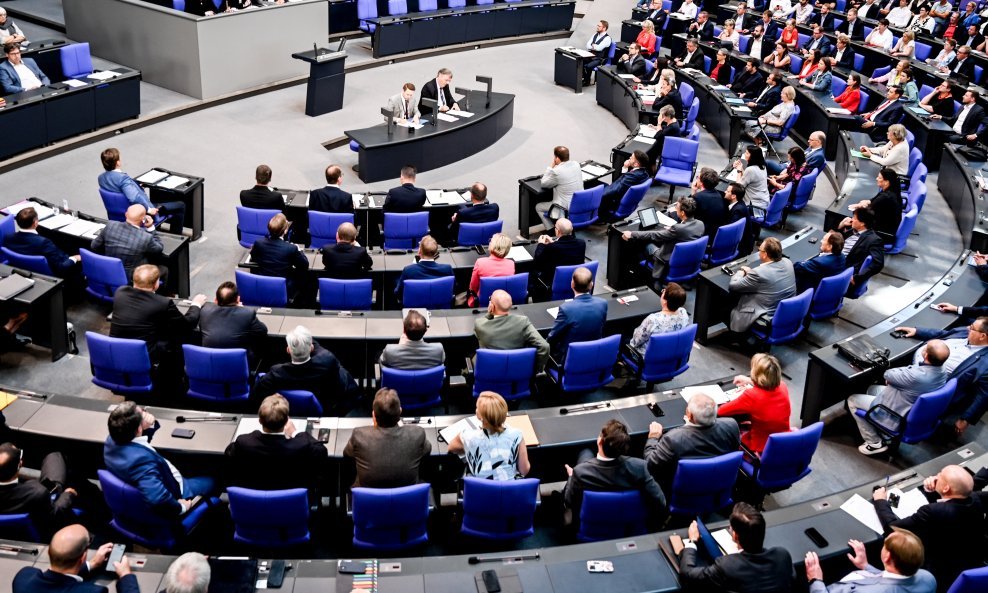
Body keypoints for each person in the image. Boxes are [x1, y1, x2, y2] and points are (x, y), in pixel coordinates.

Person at [873, 465, 988, 590]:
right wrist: (932, 490)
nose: (935, 476)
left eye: (940, 474)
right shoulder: (976, 499)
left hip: (939, 574)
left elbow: (893, 527)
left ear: (946, 488)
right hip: (971, 561)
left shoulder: (932, 511)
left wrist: (880, 501)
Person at [104, 402, 216, 517]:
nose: (145, 412)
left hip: (154, 477)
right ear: (138, 429)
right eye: (142, 412)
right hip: (179, 492)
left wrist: (147, 425)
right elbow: (157, 499)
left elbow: (139, 441)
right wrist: (181, 507)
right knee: (214, 480)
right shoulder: (142, 463)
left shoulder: (112, 439)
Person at [847, 341, 949, 455]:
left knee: (852, 400)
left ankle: (874, 442)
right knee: (872, 389)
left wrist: (893, 380)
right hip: (908, 400)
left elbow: (887, 374)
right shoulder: (942, 370)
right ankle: (877, 428)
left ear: (925, 354)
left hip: (895, 412)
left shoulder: (916, 376)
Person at [891, 317, 988, 435]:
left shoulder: (985, 364)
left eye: (972, 328)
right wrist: (917, 331)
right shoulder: (966, 332)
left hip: (924, 384)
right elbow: (943, 334)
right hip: (915, 364)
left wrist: (966, 419)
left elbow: (984, 394)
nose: (968, 328)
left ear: (982, 336)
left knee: (887, 378)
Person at [563, 420, 666, 526]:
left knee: (585, 453)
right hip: (629, 525)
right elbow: (660, 502)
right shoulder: (640, 467)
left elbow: (568, 501)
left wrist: (571, 476)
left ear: (600, 442)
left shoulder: (580, 472)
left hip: (594, 527)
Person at [679, 503, 795, 593]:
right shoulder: (782, 555)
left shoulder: (727, 566)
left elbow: (687, 573)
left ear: (735, 535)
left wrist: (692, 540)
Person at [224, 395, 328, 491]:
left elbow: (229, 455)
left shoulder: (243, 442)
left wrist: (253, 435)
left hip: (251, 504)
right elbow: (321, 450)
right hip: (291, 504)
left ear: (259, 420)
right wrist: (296, 433)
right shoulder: (301, 446)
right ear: (287, 420)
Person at [110, 265, 205, 363]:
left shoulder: (120, 292)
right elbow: (187, 325)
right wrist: (196, 304)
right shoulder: (163, 303)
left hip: (115, 353)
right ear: (156, 284)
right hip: (143, 357)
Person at [250, 325, 360, 411]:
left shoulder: (276, 373)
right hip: (326, 407)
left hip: (289, 411)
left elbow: (258, 392)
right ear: (311, 347)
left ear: (288, 350)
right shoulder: (327, 361)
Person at [644, 393, 740, 489]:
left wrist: (653, 438)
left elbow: (650, 465)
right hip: (721, 490)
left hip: (684, 495)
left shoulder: (673, 439)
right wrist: (689, 426)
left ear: (689, 415)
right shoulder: (731, 425)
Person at [343, 389, 432, 488]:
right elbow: (427, 451)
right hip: (407, 499)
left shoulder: (358, 435)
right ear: (400, 412)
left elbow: (347, 455)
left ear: (374, 415)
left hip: (368, 500)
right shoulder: (417, 434)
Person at [12, 524, 137, 593]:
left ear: (49, 553)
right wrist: (126, 576)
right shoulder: (93, 592)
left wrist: (91, 564)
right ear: (82, 557)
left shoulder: (23, 579)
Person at [804, 531, 935, 593]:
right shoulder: (927, 577)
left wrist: (815, 580)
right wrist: (866, 566)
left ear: (887, 556)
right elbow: (894, 579)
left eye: (885, 544)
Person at [98, 148, 185, 233]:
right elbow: (134, 198)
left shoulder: (101, 178)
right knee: (180, 205)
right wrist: (149, 209)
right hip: (140, 214)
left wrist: (135, 185)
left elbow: (116, 186)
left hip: (117, 216)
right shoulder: (123, 179)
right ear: (118, 162)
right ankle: (178, 240)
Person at [0, 444, 80, 536]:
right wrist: (68, 495)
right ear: (20, 464)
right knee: (55, 458)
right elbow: (55, 515)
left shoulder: (35, 489)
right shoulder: (38, 492)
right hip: (41, 531)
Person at [718, 353, 791, 454]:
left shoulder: (752, 395)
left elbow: (721, 411)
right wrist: (748, 380)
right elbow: (767, 387)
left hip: (761, 449)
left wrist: (741, 396)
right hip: (784, 442)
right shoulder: (783, 386)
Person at [449, 391, 530, 480]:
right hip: (510, 491)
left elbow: (452, 448)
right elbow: (524, 470)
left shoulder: (467, 436)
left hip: (480, 492)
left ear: (480, 416)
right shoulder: (517, 434)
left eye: (477, 408)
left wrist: (470, 448)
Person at [622, 196, 705, 283]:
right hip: (688, 261)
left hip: (667, 261)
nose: (675, 209)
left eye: (677, 207)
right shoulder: (700, 224)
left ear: (683, 213)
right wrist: (672, 230)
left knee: (647, 244)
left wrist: (632, 233)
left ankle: (642, 278)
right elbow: (685, 232)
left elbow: (654, 235)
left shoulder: (677, 229)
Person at [728, 238, 797, 335]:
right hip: (783, 312)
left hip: (766, 316)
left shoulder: (758, 273)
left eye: (759, 250)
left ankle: (735, 335)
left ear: (765, 254)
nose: (759, 252)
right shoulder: (787, 262)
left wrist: (741, 272)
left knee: (730, 300)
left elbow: (733, 286)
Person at [90, 204, 165, 285]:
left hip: (107, 272)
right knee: (164, 269)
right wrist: (151, 227)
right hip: (131, 279)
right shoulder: (145, 237)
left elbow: (94, 246)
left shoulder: (110, 225)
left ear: (126, 214)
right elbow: (159, 248)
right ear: (143, 219)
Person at [474, 290, 550, 370]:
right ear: (511, 305)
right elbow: (544, 346)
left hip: (490, 372)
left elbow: (482, 323)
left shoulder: (480, 324)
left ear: (492, 306)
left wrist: (490, 312)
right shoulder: (523, 322)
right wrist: (536, 369)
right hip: (517, 373)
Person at [547, 267, 607, 362]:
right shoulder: (603, 304)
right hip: (593, 356)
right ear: (592, 285)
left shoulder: (566, 309)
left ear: (572, 284)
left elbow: (552, 338)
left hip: (569, 360)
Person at [4, 207, 80, 278]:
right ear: (35, 223)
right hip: (55, 274)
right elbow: (61, 267)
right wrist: (74, 258)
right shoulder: (43, 243)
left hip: (24, 269)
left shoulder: (8, 238)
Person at [249, 213, 309, 298]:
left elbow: (254, 257)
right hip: (284, 288)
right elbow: (304, 265)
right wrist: (299, 250)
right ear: (285, 231)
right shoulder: (291, 248)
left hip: (262, 286)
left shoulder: (259, 243)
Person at [627, 282, 690, 360]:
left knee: (624, 340)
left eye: (664, 291)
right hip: (673, 358)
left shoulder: (653, 320)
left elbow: (636, 341)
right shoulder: (684, 313)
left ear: (665, 301)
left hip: (650, 362)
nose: (662, 292)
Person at [532, 218, 586, 295]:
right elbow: (566, 251)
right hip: (575, 279)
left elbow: (538, 261)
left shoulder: (552, 248)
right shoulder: (582, 243)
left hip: (553, 282)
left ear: (558, 231)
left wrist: (541, 244)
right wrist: (554, 243)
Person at [394, 235, 453, 303]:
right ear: (435, 252)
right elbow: (452, 290)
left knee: (395, 280)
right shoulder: (447, 269)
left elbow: (398, 293)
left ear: (419, 252)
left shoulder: (408, 270)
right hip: (440, 308)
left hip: (414, 309)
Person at [379, 310, 445, 370]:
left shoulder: (390, 351)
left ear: (404, 330)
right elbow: (441, 362)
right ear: (426, 330)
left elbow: (382, 362)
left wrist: (399, 346)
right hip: (428, 383)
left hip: (399, 383)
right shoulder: (438, 350)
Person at [840, 207, 886, 292]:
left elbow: (878, 264)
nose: (851, 220)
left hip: (843, 271)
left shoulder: (874, 240)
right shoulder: (852, 230)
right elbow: (835, 241)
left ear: (862, 223)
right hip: (835, 259)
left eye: (854, 218)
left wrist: (857, 278)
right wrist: (841, 225)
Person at [536, 145, 583, 227]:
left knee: (538, 207)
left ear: (557, 158)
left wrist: (551, 167)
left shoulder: (556, 171)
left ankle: (551, 230)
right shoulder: (576, 164)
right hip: (579, 203)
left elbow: (544, 183)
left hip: (564, 208)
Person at [599, 150, 651, 217]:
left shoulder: (632, 176)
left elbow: (617, 190)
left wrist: (600, 194)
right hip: (626, 199)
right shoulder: (644, 174)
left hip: (614, 201)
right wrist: (625, 168)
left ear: (636, 164)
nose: (629, 158)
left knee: (594, 187)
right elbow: (625, 182)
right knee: (601, 185)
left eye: (631, 158)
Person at [468, 233, 514, 307]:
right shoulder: (511, 264)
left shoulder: (480, 262)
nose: (489, 242)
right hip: (503, 303)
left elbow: (472, 287)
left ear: (493, 245)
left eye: (491, 241)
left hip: (483, 302)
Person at [734, 144, 771, 211]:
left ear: (753, 156)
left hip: (754, 206)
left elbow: (738, 187)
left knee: (731, 197)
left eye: (747, 153)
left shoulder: (750, 170)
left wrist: (739, 170)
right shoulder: (762, 166)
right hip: (763, 202)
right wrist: (741, 168)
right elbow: (750, 177)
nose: (744, 154)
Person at [691, 167, 727, 237]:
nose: (696, 178)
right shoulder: (718, 194)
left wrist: (693, 192)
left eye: (698, 177)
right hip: (712, 232)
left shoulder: (698, 197)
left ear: (701, 183)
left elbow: (688, 215)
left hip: (700, 233)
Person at [583, 20, 612, 85]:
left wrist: (593, 45)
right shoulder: (595, 35)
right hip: (591, 55)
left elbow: (599, 48)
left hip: (600, 58)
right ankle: (585, 79)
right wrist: (594, 46)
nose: (597, 27)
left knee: (588, 66)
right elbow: (587, 45)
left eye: (599, 26)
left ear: (604, 28)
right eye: (597, 25)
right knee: (579, 61)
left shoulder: (607, 38)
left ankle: (587, 81)